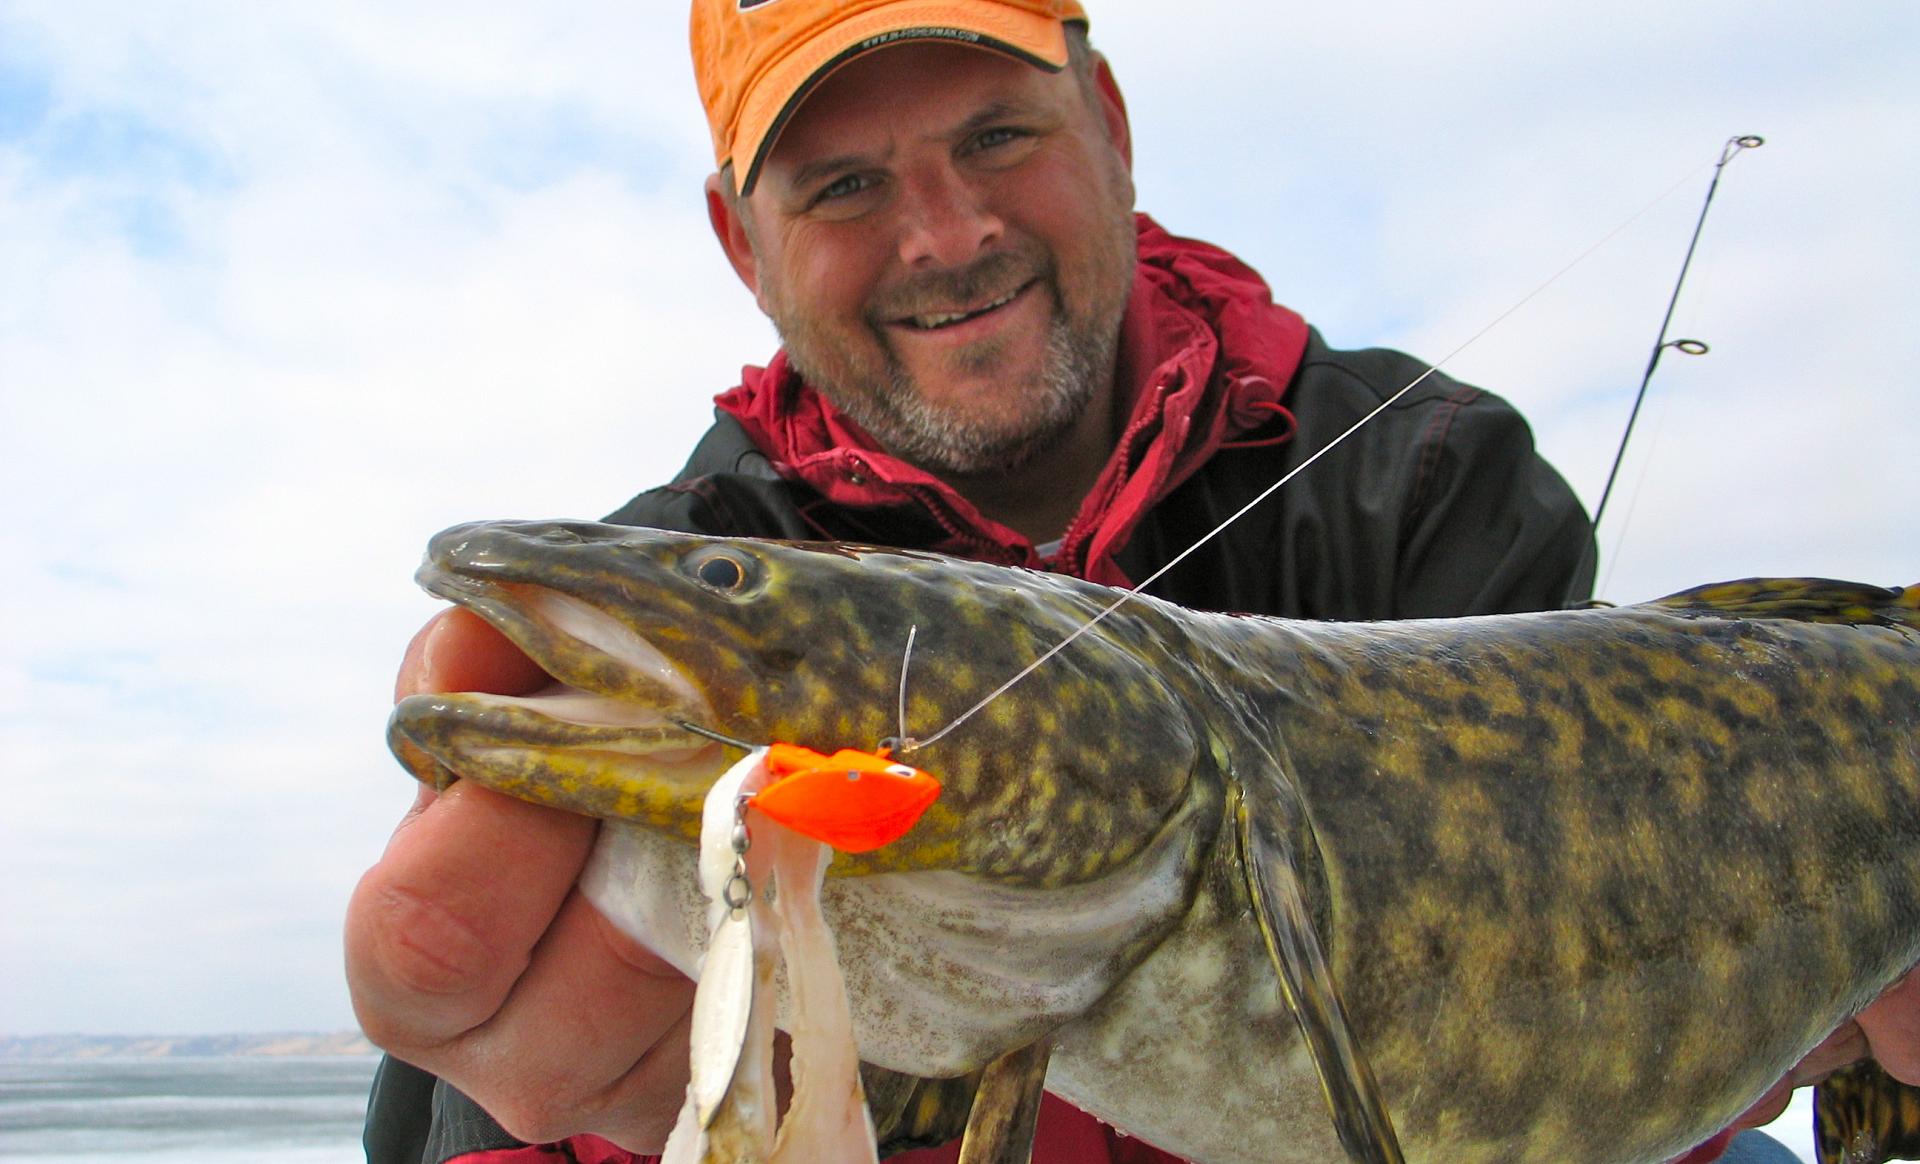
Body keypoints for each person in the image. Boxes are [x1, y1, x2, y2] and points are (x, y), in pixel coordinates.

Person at [346, 3, 1919, 1162]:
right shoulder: (666, 575)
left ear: (1112, 125)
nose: (947, 236)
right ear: (737, 242)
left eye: (998, 138)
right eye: (840, 187)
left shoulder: (1424, 473)